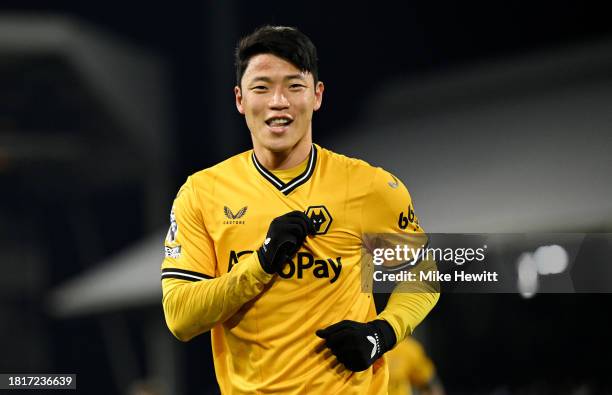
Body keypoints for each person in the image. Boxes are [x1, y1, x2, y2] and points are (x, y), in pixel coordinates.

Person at [161, 25, 439, 394]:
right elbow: (180, 316)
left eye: (294, 86)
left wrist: (381, 333)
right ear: (240, 99)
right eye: (262, 87)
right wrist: (260, 265)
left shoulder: (371, 187)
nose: (279, 101)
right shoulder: (202, 193)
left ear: (317, 95)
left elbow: (423, 274)